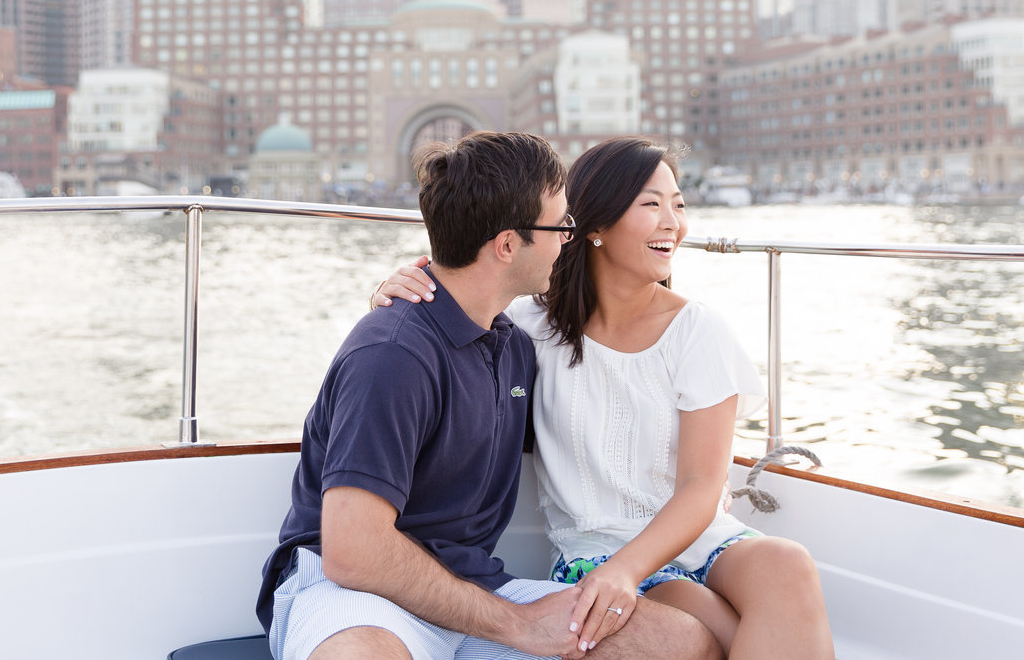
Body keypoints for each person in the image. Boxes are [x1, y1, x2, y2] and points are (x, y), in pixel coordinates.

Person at [258, 131, 719, 660]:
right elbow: (353, 552)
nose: (569, 238)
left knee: (679, 643)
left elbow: (592, 420)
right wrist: (517, 626)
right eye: (559, 226)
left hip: (472, 587)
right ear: (506, 245)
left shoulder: (515, 345)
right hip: (356, 595)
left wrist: (703, 473)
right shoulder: (391, 354)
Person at [374, 137, 834, 659]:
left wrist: (629, 569)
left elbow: (703, 485)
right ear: (593, 226)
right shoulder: (529, 328)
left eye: (678, 204)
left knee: (787, 562)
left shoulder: (698, 331)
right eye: (651, 204)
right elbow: (453, 312)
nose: (673, 222)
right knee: (702, 624)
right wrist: (395, 289)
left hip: (694, 536)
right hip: (595, 551)